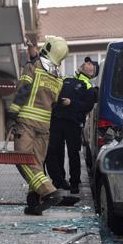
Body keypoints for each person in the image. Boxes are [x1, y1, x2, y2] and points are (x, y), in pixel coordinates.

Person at [7, 35, 69, 215]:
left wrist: (12, 114)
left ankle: (49, 192)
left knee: (22, 159)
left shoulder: (33, 67)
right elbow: (55, 102)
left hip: (26, 122)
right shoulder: (58, 77)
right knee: (36, 163)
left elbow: (23, 90)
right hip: (44, 126)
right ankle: (34, 202)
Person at [45, 57, 99, 194]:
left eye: (90, 63)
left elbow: (87, 106)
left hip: (73, 123)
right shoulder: (67, 78)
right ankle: (59, 180)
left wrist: (71, 103)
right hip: (57, 120)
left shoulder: (88, 86)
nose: (87, 63)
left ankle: (74, 182)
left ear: (92, 73)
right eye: (86, 62)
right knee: (54, 150)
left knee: (73, 153)